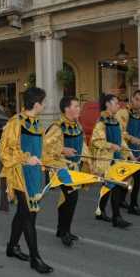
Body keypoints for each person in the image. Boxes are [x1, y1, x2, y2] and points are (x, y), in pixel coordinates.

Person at [0, 87, 53, 274]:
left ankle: (12, 247)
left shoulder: (38, 123)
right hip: (19, 175)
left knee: (24, 214)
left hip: (35, 176)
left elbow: (43, 151)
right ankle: (35, 258)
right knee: (29, 216)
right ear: (36, 103)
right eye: (44, 102)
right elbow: (4, 152)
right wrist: (25, 158)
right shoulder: (15, 122)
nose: (45, 105)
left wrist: (54, 163)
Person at [43, 96, 92, 247]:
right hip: (61, 168)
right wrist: (63, 150)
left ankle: (63, 230)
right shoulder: (57, 127)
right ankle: (64, 232)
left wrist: (90, 161)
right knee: (71, 198)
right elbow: (45, 146)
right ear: (66, 109)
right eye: (76, 106)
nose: (79, 109)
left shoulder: (77, 125)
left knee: (68, 199)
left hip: (75, 168)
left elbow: (82, 143)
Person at [91, 94, 134, 229]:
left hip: (117, 158)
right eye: (116, 103)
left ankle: (100, 211)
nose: (118, 105)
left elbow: (121, 140)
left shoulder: (115, 121)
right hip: (106, 160)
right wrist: (110, 145)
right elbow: (96, 141)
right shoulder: (101, 122)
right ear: (107, 105)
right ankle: (117, 217)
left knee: (109, 187)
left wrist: (130, 154)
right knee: (115, 186)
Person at [116, 90, 140, 216]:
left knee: (134, 178)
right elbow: (120, 132)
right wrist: (131, 138)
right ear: (132, 98)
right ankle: (132, 206)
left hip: (137, 152)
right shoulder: (123, 113)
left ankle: (123, 201)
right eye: (137, 100)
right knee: (128, 177)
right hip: (125, 152)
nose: (139, 103)